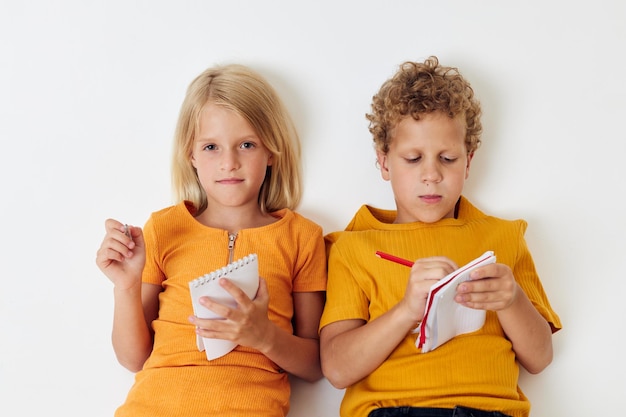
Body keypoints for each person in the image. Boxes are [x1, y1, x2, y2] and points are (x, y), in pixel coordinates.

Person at [319, 56, 561, 417]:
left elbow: (540, 358)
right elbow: (337, 369)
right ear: (384, 163)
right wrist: (406, 311)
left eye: (447, 158)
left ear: (468, 161)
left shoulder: (504, 237)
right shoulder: (353, 247)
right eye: (413, 158)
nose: (431, 175)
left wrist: (512, 301)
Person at [96, 64, 327, 417]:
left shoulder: (302, 237)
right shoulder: (163, 227)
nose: (229, 163)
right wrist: (125, 287)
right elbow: (133, 359)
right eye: (211, 147)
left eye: (246, 145)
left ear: (270, 152)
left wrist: (264, 335)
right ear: (190, 155)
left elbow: (314, 365)